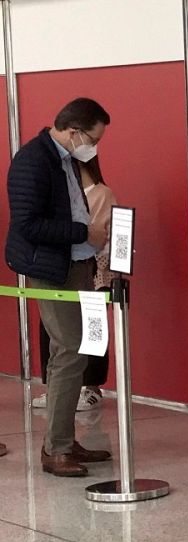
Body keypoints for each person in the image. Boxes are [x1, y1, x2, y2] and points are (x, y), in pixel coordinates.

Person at [5, 97, 118, 474]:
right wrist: (85, 231)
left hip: (78, 264)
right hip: (52, 268)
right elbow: (28, 225)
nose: (94, 147)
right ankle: (57, 449)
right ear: (74, 131)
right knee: (71, 350)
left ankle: (64, 441)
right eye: (92, 138)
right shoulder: (32, 160)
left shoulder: (66, 159)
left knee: (75, 351)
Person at [30, 153, 113, 415]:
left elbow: (104, 235)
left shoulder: (102, 193)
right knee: (55, 330)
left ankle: (91, 387)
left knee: (92, 330)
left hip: (92, 270)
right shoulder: (61, 195)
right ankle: (58, 387)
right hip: (60, 271)